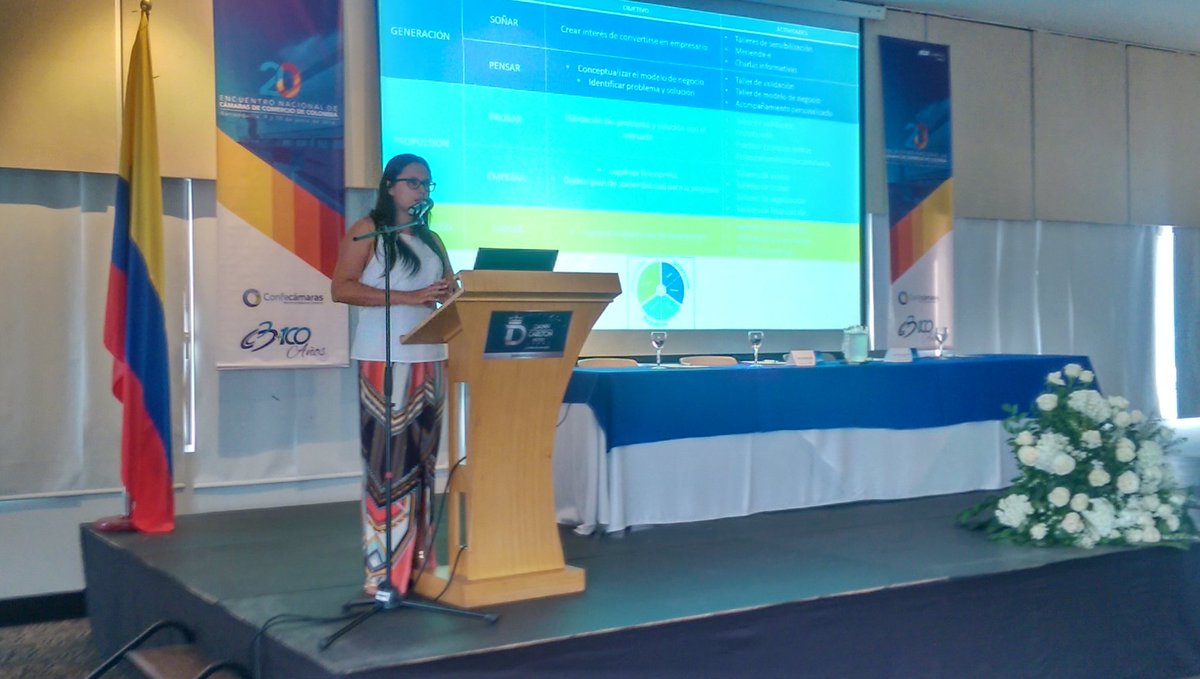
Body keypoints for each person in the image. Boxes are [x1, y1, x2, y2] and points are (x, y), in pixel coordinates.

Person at [331, 153, 456, 596]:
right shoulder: (368, 230)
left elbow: (450, 291)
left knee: (423, 464)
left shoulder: (432, 239)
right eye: (413, 182)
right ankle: (383, 572)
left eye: (427, 184)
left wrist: (450, 293)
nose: (421, 191)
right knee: (388, 465)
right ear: (390, 185)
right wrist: (411, 297)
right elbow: (341, 287)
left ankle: (418, 563)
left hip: (431, 356)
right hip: (384, 358)